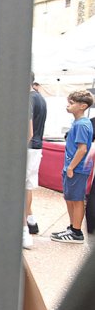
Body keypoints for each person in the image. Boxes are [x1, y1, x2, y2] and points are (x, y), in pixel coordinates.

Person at [50, 90, 94, 244]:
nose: (68, 106)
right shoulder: (78, 122)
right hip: (73, 167)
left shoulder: (82, 124)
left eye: (72, 103)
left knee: (76, 199)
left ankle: (76, 231)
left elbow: (82, 149)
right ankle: (72, 228)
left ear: (83, 106)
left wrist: (71, 168)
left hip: (77, 168)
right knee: (70, 198)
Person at [25, 74, 47, 243]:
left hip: (28, 147)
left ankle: (24, 228)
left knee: (22, 188)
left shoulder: (28, 100)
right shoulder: (40, 98)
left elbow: (29, 131)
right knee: (28, 186)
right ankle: (31, 221)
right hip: (36, 147)